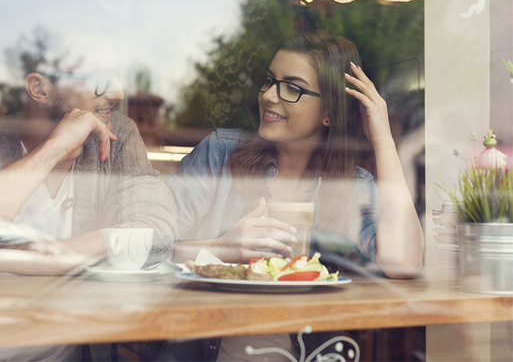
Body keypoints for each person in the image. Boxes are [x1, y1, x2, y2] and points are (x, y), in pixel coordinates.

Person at [147, 31, 424, 361]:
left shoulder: (351, 187)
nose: (268, 96)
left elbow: (404, 263)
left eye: (292, 87)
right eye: (269, 81)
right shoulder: (220, 153)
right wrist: (222, 249)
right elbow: (148, 246)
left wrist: (384, 140)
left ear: (330, 113)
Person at [0, 31, 177, 361]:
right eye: (98, 78)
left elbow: (156, 234)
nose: (118, 92)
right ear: (40, 89)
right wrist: (54, 149)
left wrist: (12, 258)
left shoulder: (116, 133)